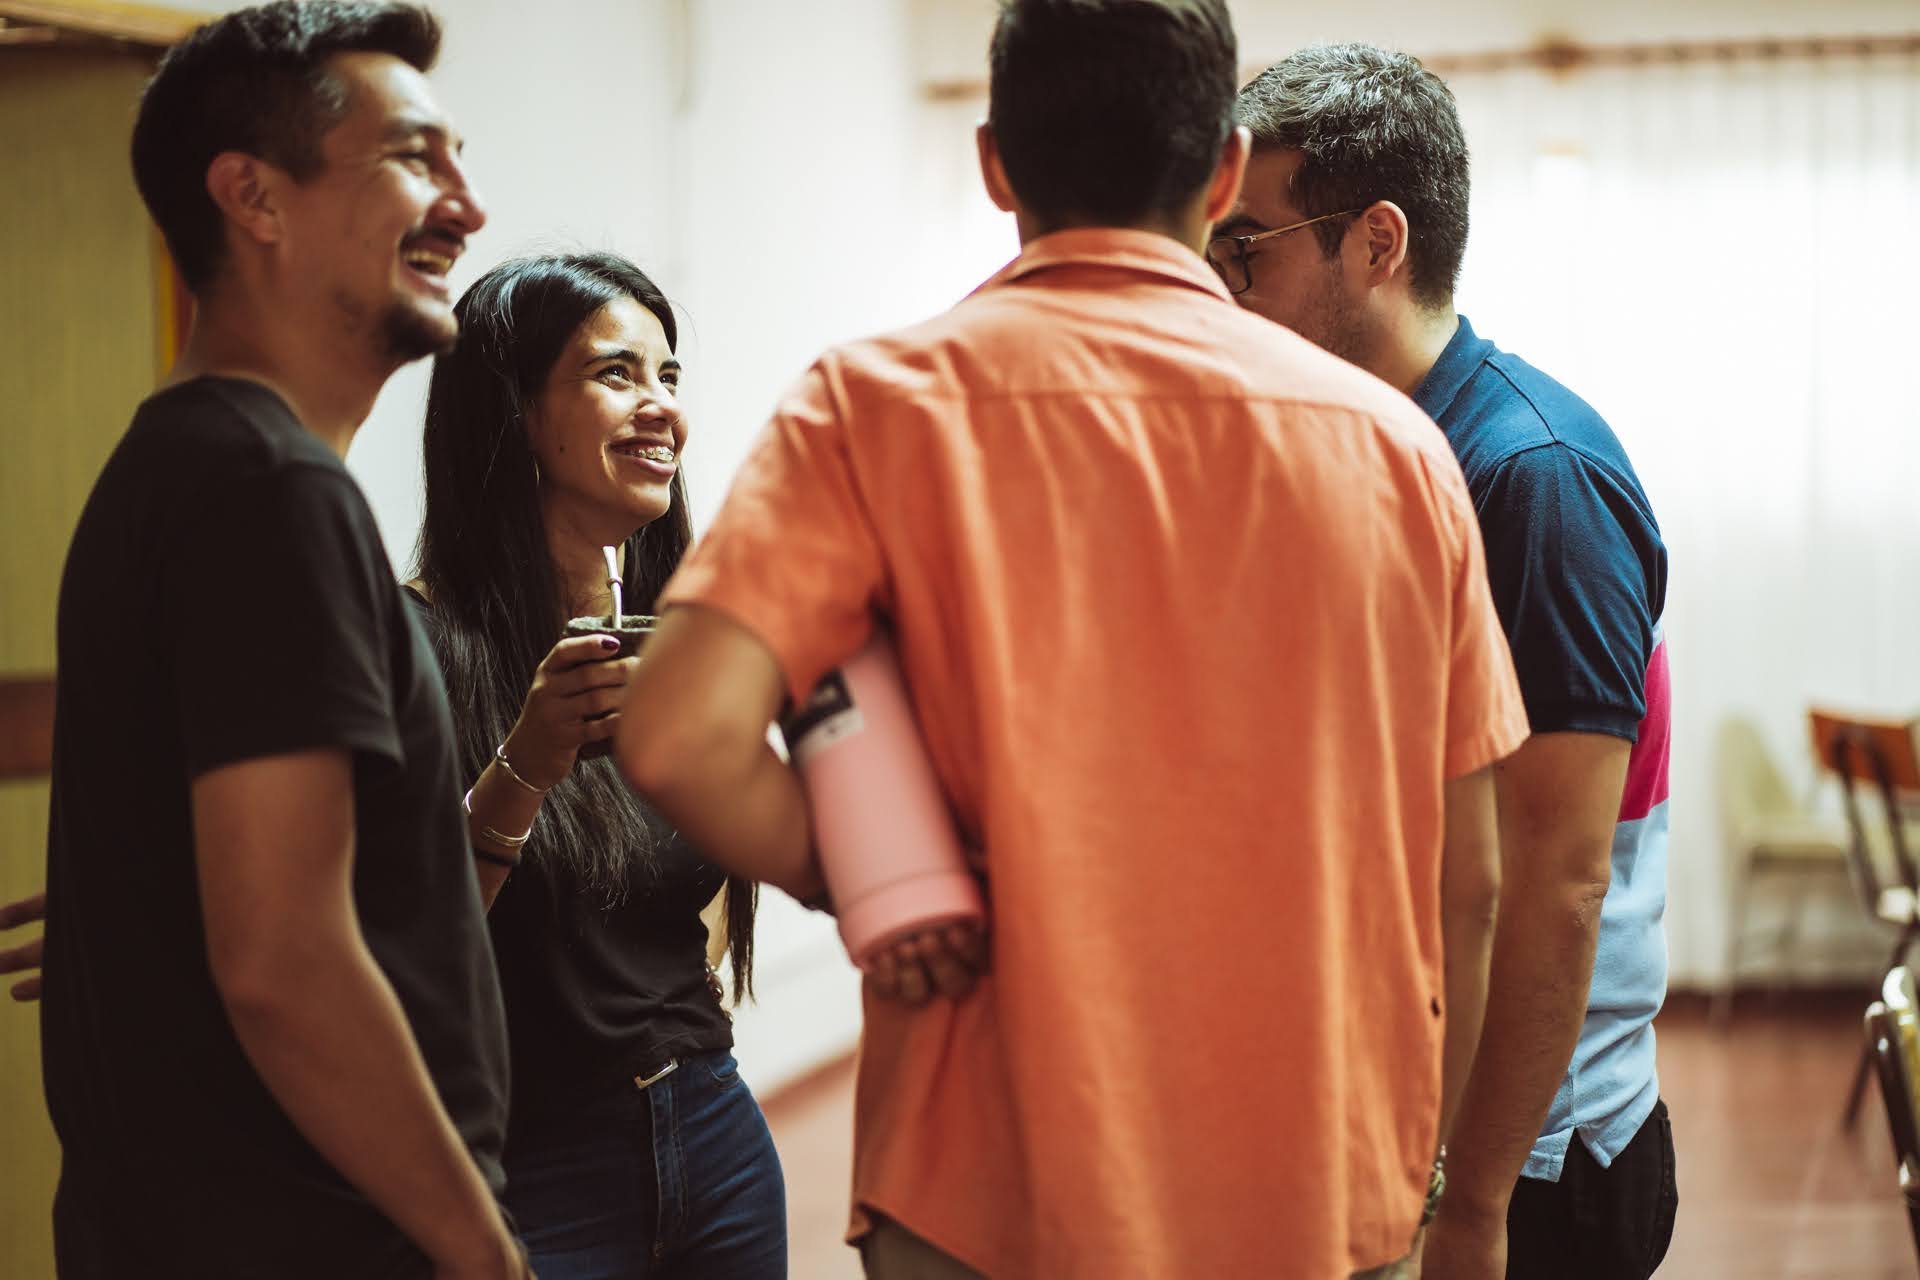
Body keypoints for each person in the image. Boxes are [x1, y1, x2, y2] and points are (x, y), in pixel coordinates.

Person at [614, 2, 1528, 1276]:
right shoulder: (1395, 449)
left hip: (987, 1187)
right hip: (1314, 1181)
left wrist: (869, 872)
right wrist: (1428, 1162)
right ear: (1221, 172)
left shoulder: (871, 409)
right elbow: (1471, 877)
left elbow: (675, 732)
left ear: (994, 162)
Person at [39, 4, 524, 1276]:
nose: (466, 205)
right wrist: (483, 1252)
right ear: (253, 197)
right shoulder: (269, 492)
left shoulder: (171, 464)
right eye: (417, 157)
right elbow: (283, 959)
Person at [1224, 43, 1676, 1280]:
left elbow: (1560, 877)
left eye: (1246, 247)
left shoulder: (1532, 478)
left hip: (1522, 1157)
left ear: (1377, 242)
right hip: (1397, 1126)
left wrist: (1470, 1198)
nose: (1221, 288)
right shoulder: (1367, 448)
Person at [407, 252, 786, 1279]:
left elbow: (702, 887)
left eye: (670, 377)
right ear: (513, 412)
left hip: (712, 1129)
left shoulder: (670, 639)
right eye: (619, 374)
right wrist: (524, 765)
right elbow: (395, 927)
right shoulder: (410, 643)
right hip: (529, 1159)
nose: (663, 407)